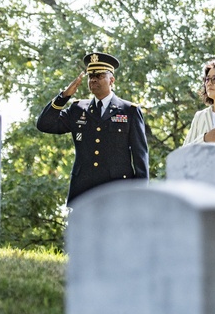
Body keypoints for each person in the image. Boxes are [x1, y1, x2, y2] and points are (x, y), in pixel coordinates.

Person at [36, 52, 149, 205]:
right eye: (90, 76)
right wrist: (64, 96)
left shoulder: (129, 111)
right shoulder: (77, 109)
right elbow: (45, 124)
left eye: (100, 76)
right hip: (84, 193)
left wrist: (139, 197)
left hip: (118, 193)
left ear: (112, 80)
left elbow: (140, 156)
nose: (93, 79)